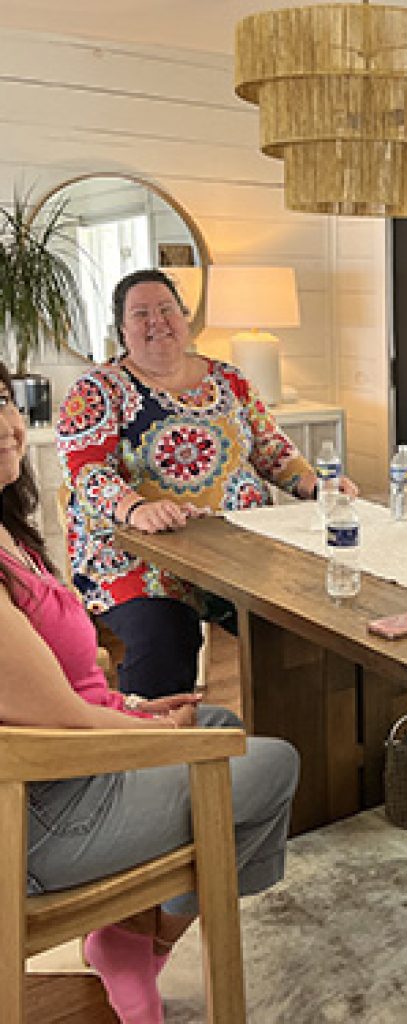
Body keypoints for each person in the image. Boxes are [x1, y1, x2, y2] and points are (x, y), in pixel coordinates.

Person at [0, 360, 299, 1024]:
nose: (4, 426)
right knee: (272, 765)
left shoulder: (9, 536)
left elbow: (54, 697)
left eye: (2, 402)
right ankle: (142, 939)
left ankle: (130, 936)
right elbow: (59, 725)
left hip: (55, 778)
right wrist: (159, 734)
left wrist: (132, 708)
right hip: (37, 819)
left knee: (220, 721)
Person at [56, 268, 357, 699]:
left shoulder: (229, 379)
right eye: (141, 314)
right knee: (165, 637)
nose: (156, 321)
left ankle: (295, 736)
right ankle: (153, 748)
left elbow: (271, 448)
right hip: (138, 555)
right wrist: (137, 509)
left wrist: (316, 485)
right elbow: (87, 472)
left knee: (301, 622)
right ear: (122, 329)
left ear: (184, 316)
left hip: (240, 547)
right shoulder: (98, 390)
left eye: (166, 309)